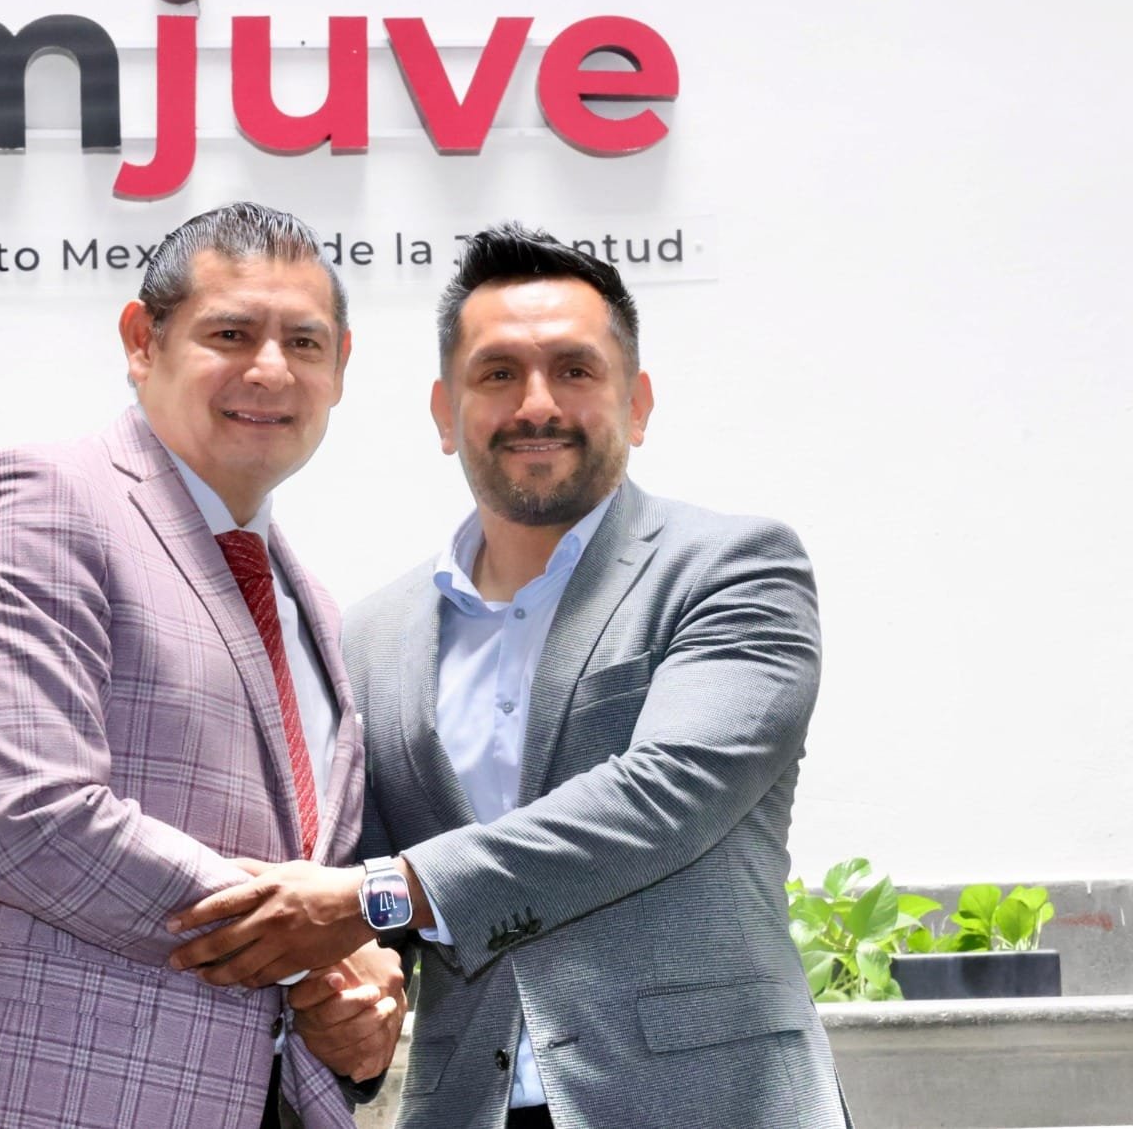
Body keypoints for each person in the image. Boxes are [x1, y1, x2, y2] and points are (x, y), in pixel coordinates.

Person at [168, 224, 852, 1128]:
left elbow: (662, 796)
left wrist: (382, 892)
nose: (537, 404)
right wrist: (354, 1006)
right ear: (444, 412)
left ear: (637, 403)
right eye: (497, 374)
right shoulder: (368, 636)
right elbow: (362, 902)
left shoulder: (733, 568)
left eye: (575, 369)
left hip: (708, 1103)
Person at [0, 202, 405, 1129]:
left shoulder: (314, 608)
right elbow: (30, 817)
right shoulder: (43, 502)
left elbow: (313, 896)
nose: (271, 369)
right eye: (232, 333)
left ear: (340, 367)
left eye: (304, 343)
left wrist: (352, 1013)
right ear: (143, 341)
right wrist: (315, 939)